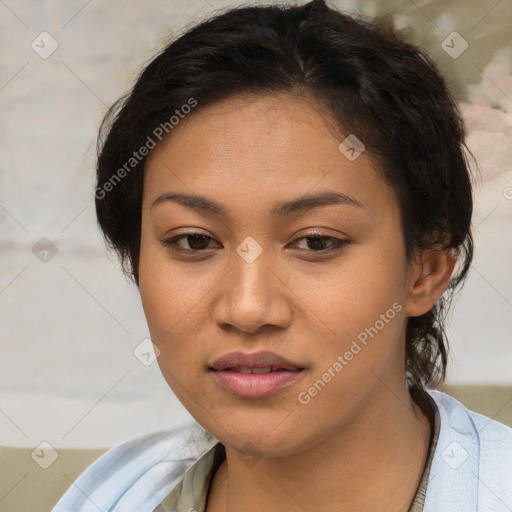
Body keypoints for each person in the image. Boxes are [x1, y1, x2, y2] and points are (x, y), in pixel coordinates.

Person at [52, 0, 512, 511]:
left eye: (316, 241)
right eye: (195, 241)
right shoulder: (111, 496)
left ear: (425, 269)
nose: (247, 309)